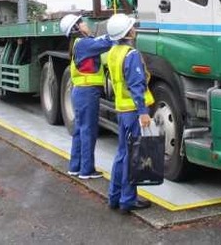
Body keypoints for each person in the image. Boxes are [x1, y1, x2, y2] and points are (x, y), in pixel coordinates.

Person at [105, 13, 154, 214]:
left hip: (122, 109)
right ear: (127, 32)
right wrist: (143, 112)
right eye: (132, 26)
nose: (135, 28)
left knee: (122, 154)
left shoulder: (113, 52)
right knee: (132, 157)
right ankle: (128, 200)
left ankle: (114, 196)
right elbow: (136, 85)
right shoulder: (131, 54)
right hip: (134, 112)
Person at [59, 14, 115, 179]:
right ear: (76, 28)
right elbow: (107, 43)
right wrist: (118, 31)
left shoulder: (79, 44)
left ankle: (75, 167)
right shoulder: (84, 44)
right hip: (87, 92)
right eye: (81, 22)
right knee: (88, 130)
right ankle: (87, 170)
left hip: (81, 92)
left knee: (79, 129)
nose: (86, 23)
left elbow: (97, 42)